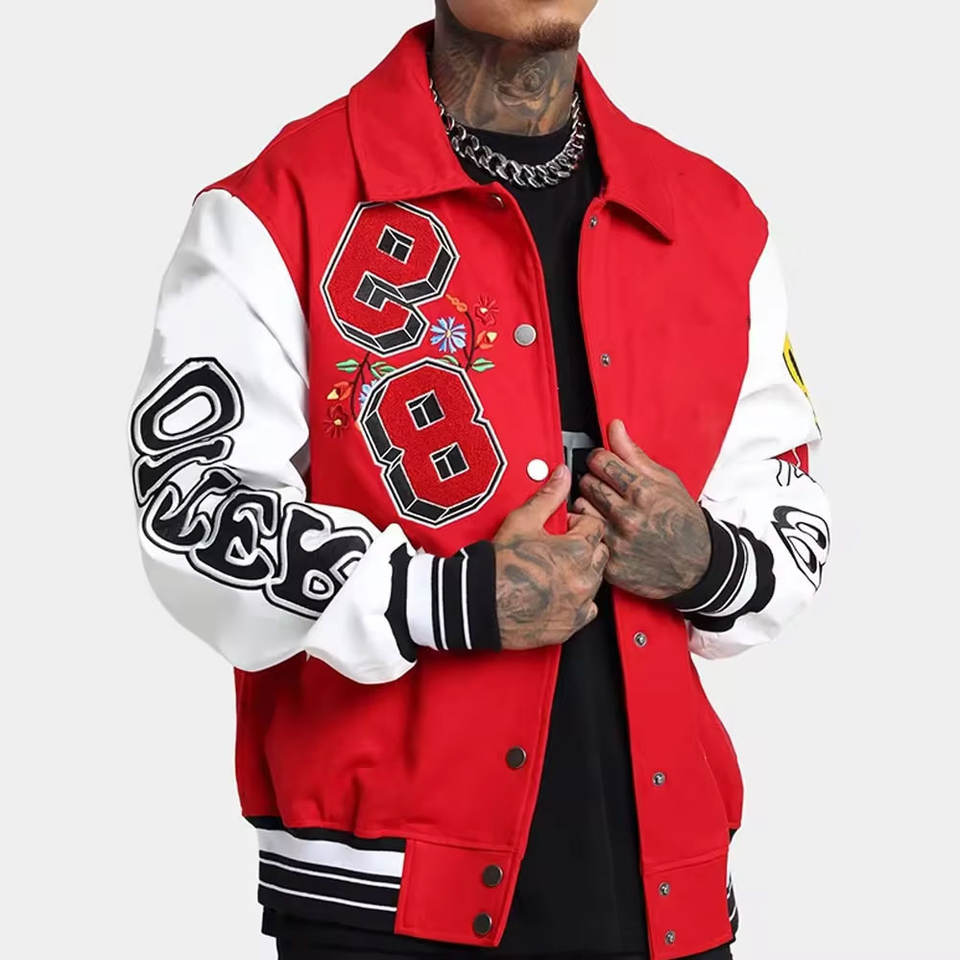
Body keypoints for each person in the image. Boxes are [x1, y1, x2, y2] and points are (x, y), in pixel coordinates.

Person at [126, 2, 831, 957]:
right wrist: (444, 599)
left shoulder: (714, 220)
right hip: (380, 904)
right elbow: (194, 513)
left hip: (669, 896)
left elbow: (790, 515)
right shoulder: (278, 206)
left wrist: (707, 562)